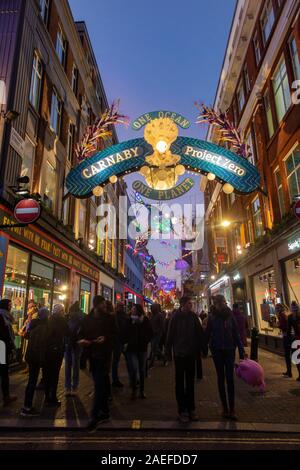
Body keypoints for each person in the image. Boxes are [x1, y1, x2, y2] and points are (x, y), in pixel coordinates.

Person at [79, 296, 117, 432]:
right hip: (92, 356)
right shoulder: (87, 319)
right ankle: (105, 412)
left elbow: (115, 334)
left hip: (104, 356)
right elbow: (81, 334)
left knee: (99, 385)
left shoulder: (109, 318)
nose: (105, 307)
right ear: (96, 305)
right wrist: (82, 341)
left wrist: (105, 338)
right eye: (103, 305)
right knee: (102, 383)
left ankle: (93, 418)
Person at [166, 296, 206, 423]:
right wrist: (168, 352)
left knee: (190, 383)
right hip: (179, 355)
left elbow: (200, 333)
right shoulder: (175, 317)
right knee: (179, 383)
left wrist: (203, 348)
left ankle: (191, 409)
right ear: (183, 304)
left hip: (191, 354)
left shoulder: (193, 317)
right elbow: (170, 335)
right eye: (189, 303)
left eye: (191, 304)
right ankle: (182, 410)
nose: (191, 305)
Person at [206, 295, 245, 421]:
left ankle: (232, 409)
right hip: (217, 350)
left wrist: (241, 350)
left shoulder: (230, 316)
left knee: (230, 378)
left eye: (223, 302)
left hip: (229, 350)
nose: (222, 304)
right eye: (220, 302)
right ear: (216, 304)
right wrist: (203, 348)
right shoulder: (212, 317)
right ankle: (224, 408)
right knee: (220, 378)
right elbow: (207, 334)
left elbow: (236, 333)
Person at [20, 308, 49, 416]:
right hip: (36, 357)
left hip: (30, 356)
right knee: (32, 381)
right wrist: (42, 359)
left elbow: (26, 335)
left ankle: (26, 405)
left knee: (31, 381)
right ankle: (27, 407)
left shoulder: (33, 324)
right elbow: (41, 345)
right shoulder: (43, 327)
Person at [124, 304, 153, 400]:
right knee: (134, 369)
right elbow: (125, 332)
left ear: (138, 310)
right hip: (131, 349)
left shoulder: (145, 320)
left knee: (141, 370)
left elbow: (150, 333)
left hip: (142, 348)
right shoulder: (129, 320)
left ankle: (141, 391)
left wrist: (145, 340)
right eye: (132, 309)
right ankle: (134, 389)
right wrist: (126, 342)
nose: (132, 310)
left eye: (134, 309)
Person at [44, 304, 68, 406]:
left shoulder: (48, 320)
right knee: (55, 374)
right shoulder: (63, 321)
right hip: (57, 350)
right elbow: (68, 333)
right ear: (61, 311)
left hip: (48, 350)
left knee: (47, 373)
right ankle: (52, 396)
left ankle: (47, 396)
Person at [64, 301, 84, 396]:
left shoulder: (72, 318)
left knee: (70, 365)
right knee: (74, 366)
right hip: (75, 344)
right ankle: (73, 387)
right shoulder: (77, 318)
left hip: (72, 344)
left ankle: (69, 387)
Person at [0, 299, 17, 406]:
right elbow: (5, 335)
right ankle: (6, 397)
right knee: (4, 371)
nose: (11, 307)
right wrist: (10, 346)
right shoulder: (3, 317)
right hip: (2, 347)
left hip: (3, 346)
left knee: (4, 371)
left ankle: (6, 396)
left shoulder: (5, 316)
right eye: (9, 305)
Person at [112, 302, 128, 388]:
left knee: (116, 361)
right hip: (120, 342)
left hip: (119, 342)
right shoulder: (123, 316)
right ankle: (115, 380)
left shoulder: (115, 316)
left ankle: (115, 379)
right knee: (117, 361)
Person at [276, 303, 292, 378]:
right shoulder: (287, 313)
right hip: (292, 336)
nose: (276, 310)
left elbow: (284, 326)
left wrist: (278, 325)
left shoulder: (282, 315)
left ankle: (289, 372)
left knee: (287, 355)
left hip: (287, 336)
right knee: (294, 354)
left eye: (277, 308)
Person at [287, 301, 300, 382]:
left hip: (296, 339)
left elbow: (288, 330)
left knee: (296, 357)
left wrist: (288, 341)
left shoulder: (290, 317)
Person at [149, 303, 164, 368]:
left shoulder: (159, 315)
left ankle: (151, 362)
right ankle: (164, 357)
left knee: (154, 347)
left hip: (157, 334)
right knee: (155, 348)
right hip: (152, 334)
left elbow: (161, 326)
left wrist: (158, 331)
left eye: (152, 308)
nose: (151, 309)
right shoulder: (152, 315)